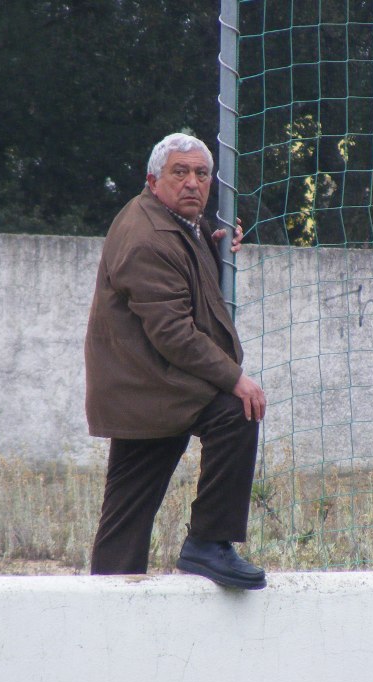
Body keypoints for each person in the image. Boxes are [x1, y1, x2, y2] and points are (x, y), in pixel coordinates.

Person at [84, 132, 268, 590]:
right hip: (157, 386)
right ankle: (208, 543)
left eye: (202, 174)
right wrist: (235, 378)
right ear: (153, 180)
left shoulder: (172, 222)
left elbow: (184, 272)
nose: (192, 183)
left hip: (148, 384)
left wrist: (216, 246)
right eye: (179, 172)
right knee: (236, 411)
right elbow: (172, 331)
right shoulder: (147, 238)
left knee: (127, 509)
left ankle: (107, 598)